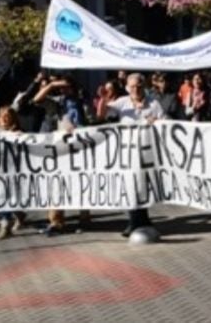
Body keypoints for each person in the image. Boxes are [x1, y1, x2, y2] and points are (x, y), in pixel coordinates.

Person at [96, 72, 165, 237]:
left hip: (147, 153)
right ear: (127, 88)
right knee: (130, 186)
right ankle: (134, 222)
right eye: (133, 86)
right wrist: (103, 99)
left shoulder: (154, 103)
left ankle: (144, 220)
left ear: (144, 86)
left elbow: (165, 123)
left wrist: (156, 122)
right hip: (127, 154)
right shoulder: (122, 102)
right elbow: (101, 115)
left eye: (139, 86)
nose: (136, 89)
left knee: (144, 186)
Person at [32, 75, 89, 235]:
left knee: (80, 183)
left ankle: (84, 218)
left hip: (81, 148)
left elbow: (95, 119)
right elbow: (37, 99)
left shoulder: (83, 102)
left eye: (67, 87)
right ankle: (56, 221)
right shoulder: (58, 103)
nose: (64, 90)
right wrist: (52, 85)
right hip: (61, 149)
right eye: (61, 88)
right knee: (56, 182)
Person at [0, 106, 28, 240]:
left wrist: (22, 137)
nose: (4, 119)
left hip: (14, 172)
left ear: (13, 119)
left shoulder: (18, 132)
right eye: (2, 117)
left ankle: (5, 227)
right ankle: (19, 215)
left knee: (7, 198)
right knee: (3, 197)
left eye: (7, 117)